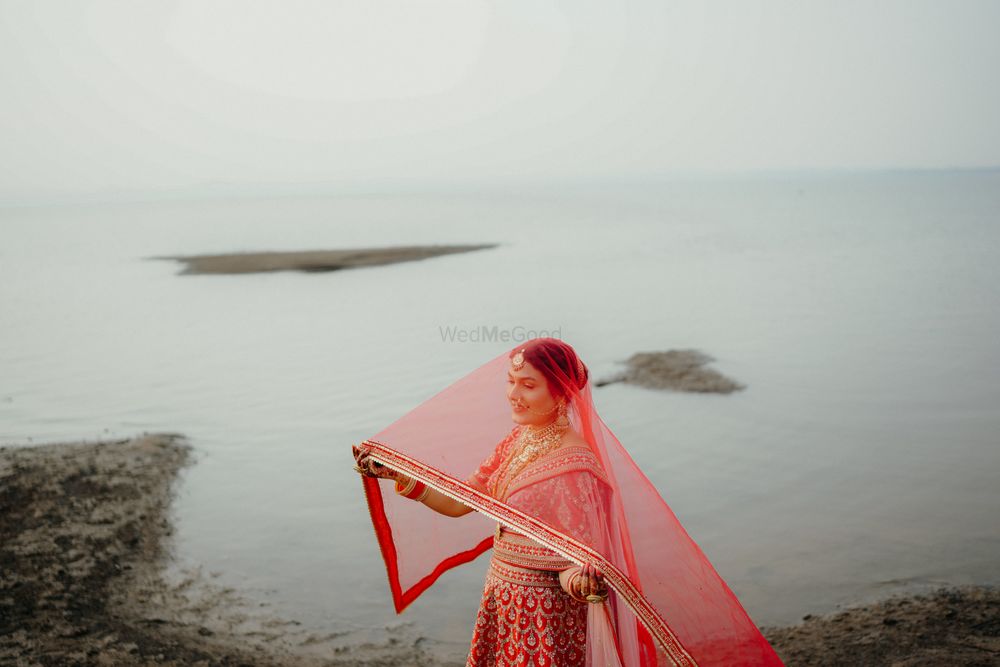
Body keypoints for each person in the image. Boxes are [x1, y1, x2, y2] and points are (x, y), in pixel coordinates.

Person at [352, 339, 784, 666]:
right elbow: (462, 503)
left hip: (547, 615)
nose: (513, 395)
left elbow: (580, 557)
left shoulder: (575, 464)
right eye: (510, 383)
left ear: (559, 392)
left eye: (528, 385)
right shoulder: (519, 440)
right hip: (502, 599)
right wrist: (400, 476)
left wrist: (581, 579)